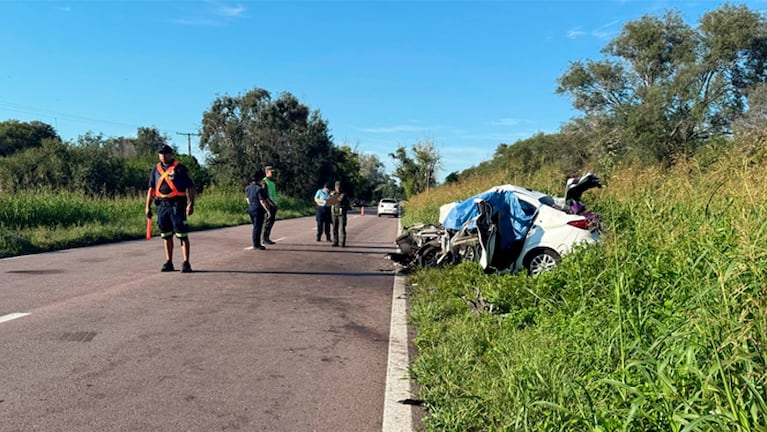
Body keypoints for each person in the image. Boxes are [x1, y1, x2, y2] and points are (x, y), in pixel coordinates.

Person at [145, 144, 196, 273]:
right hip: (162, 205)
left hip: (177, 206)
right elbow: (151, 189)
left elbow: (190, 187)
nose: (163, 156)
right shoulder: (155, 169)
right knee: (166, 235)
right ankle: (169, 262)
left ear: (171, 154)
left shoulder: (180, 169)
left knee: (182, 235)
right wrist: (147, 206)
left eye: (165, 153)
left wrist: (191, 204)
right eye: (160, 153)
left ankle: (186, 262)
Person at [245, 170, 270, 250]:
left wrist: (251, 206)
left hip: (251, 208)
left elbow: (247, 199)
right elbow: (262, 201)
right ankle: (256, 244)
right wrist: (267, 210)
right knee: (257, 227)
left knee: (255, 226)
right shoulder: (259, 188)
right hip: (258, 209)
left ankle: (256, 243)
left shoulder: (248, 188)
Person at [329, 180, 351, 247]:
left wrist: (344, 208)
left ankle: (342, 242)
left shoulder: (344, 194)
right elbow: (329, 202)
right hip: (334, 213)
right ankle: (335, 241)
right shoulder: (332, 193)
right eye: (337, 187)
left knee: (342, 228)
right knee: (334, 228)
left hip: (341, 214)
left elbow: (347, 204)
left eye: (339, 187)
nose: (338, 189)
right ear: (335, 187)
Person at [261, 165, 278, 245]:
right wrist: (270, 204)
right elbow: (265, 195)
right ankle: (264, 238)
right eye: (272, 172)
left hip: (273, 204)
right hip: (269, 204)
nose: (273, 174)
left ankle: (267, 237)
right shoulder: (264, 182)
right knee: (267, 221)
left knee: (271, 222)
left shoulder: (272, 182)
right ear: (267, 172)